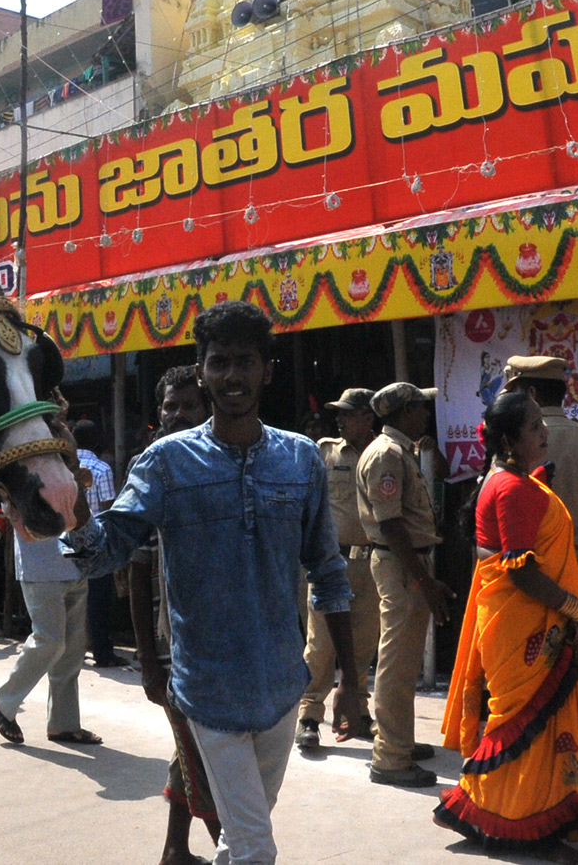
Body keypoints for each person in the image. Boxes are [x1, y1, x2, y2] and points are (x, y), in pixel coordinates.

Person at [62, 301, 363, 865]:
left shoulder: (300, 460)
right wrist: (74, 511)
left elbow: (328, 572)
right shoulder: (166, 463)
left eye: (245, 362)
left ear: (266, 371)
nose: (232, 377)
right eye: (219, 363)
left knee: (237, 842)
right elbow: (103, 555)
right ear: (201, 370)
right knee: (255, 848)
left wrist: (350, 678)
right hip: (206, 688)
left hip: (281, 688)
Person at [436, 390, 578, 862]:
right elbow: (520, 569)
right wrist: (577, 609)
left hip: (530, 624)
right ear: (510, 441)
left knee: (550, 723)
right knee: (525, 726)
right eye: (535, 426)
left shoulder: (514, 480)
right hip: (525, 628)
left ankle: (519, 812)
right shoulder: (511, 487)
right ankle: (523, 826)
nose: (545, 431)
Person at [128, 364, 220, 865]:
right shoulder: (151, 468)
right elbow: (138, 574)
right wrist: (148, 662)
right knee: (203, 755)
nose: (179, 415)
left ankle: (173, 851)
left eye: (189, 405)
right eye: (170, 406)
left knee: (192, 750)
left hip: (222, 639)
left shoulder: (222, 460)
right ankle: (238, 850)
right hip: (174, 646)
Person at [357, 382, 454, 787]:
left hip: (405, 562)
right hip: (401, 563)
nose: (425, 413)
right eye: (418, 406)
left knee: (404, 659)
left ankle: (398, 740)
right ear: (402, 412)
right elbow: (391, 524)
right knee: (397, 664)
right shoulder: (387, 453)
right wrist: (423, 580)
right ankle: (391, 758)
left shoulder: (402, 449)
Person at [296, 388, 382, 751]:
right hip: (332, 563)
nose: (341, 420)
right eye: (340, 415)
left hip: (373, 563)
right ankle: (309, 716)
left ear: (368, 417)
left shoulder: (387, 453)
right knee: (320, 645)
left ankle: (357, 711)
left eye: (349, 414)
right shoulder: (325, 451)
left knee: (363, 643)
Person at [503, 355, 578, 605]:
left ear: (531, 393)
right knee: (573, 643)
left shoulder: (512, 441)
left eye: (516, 394)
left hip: (524, 575)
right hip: (576, 570)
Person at [0, 529, 103, 747]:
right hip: (41, 566)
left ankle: (64, 725)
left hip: (77, 566)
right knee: (49, 639)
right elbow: (12, 509)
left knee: (72, 650)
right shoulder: (21, 492)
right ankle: (2, 703)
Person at [73, 420, 123, 668]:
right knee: (98, 599)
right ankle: (102, 652)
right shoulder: (101, 469)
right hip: (93, 540)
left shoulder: (64, 467)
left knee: (72, 598)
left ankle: (75, 650)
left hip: (67, 540)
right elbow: (107, 510)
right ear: (97, 442)